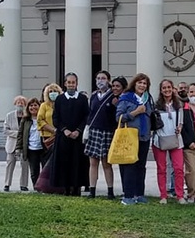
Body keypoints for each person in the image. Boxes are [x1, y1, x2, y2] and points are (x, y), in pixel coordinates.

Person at [116, 72, 154, 205]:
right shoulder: (126, 98)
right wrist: (136, 112)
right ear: (134, 83)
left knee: (141, 166)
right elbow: (119, 117)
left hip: (144, 136)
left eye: (145, 83)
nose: (142, 85)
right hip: (130, 137)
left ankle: (139, 194)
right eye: (140, 82)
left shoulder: (148, 99)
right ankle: (128, 195)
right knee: (129, 165)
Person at [52, 73, 90, 196]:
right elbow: (56, 118)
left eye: (73, 82)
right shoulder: (60, 99)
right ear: (65, 84)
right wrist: (65, 130)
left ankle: (77, 188)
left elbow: (86, 117)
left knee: (78, 163)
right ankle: (66, 188)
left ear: (77, 84)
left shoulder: (83, 99)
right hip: (63, 137)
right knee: (64, 163)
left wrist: (78, 130)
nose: (71, 85)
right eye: (69, 82)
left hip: (78, 138)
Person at [85, 70, 119, 199]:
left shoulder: (113, 96)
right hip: (94, 130)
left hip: (107, 131)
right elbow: (90, 113)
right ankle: (92, 190)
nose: (100, 81)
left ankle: (110, 191)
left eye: (103, 78)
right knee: (93, 162)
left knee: (106, 163)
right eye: (98, 78)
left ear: (109, 80)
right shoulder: (94, 96)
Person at [153, 79, 186, 204]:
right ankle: (163, 195)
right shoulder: (156, 106)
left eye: (169, 87)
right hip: (160, 140)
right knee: (161, 168)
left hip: (175, 139)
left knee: (178, 168)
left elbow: (181, 122)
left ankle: (180, 195)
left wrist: (179, 128)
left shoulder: (178, 106)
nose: (167, 90)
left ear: (172, 89)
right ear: (161, 90)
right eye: (164, 88)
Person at [3, 95, 29, 192]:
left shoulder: (27, 116)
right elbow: (5, 131)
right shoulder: (9, 116)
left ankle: (24, 185)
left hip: (24, 145)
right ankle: (7, 184)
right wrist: (18, 133)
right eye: (18, 103)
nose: (20, 105)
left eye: (22, 103)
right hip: (11, 145)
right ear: (15, 104)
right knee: (10, 163)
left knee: (25, 165)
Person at [19, 98, 46, 189]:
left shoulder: (44, 118)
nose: (33, 107)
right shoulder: (25, 120)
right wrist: (18, 148)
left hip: (43, 148)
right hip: (31, 149)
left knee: (45, 169)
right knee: (34, 171)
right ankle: (36, 187)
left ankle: (44, 187)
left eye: (35, 105)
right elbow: (20, 134)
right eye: (31, 105)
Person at [38, 83, 62, 157]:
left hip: (61, 135)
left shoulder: (62, 104)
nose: (52, 93)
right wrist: (53, 130)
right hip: (47, 137)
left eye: (55, 91)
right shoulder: (44, 105)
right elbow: (40, 120)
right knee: (48, 159)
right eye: (50, 92)